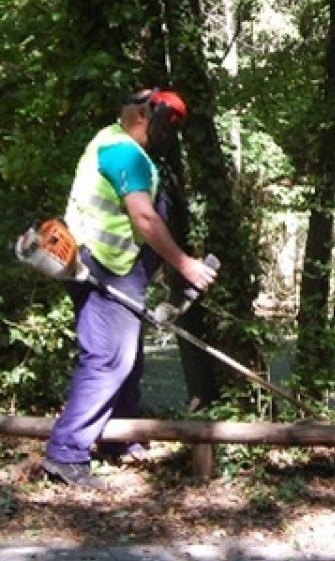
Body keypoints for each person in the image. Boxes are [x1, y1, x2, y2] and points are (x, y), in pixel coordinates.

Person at [42, 88, 219, 489]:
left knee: (127, 358)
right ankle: (65, 453)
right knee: (107, 359)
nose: (165, 135)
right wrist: (186, 265)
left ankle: (117, 440)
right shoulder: (124, 153)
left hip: (111, 267)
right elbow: (144, 218)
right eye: (165, 126)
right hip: (105, 268)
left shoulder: (114, 144)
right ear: (145, 115)